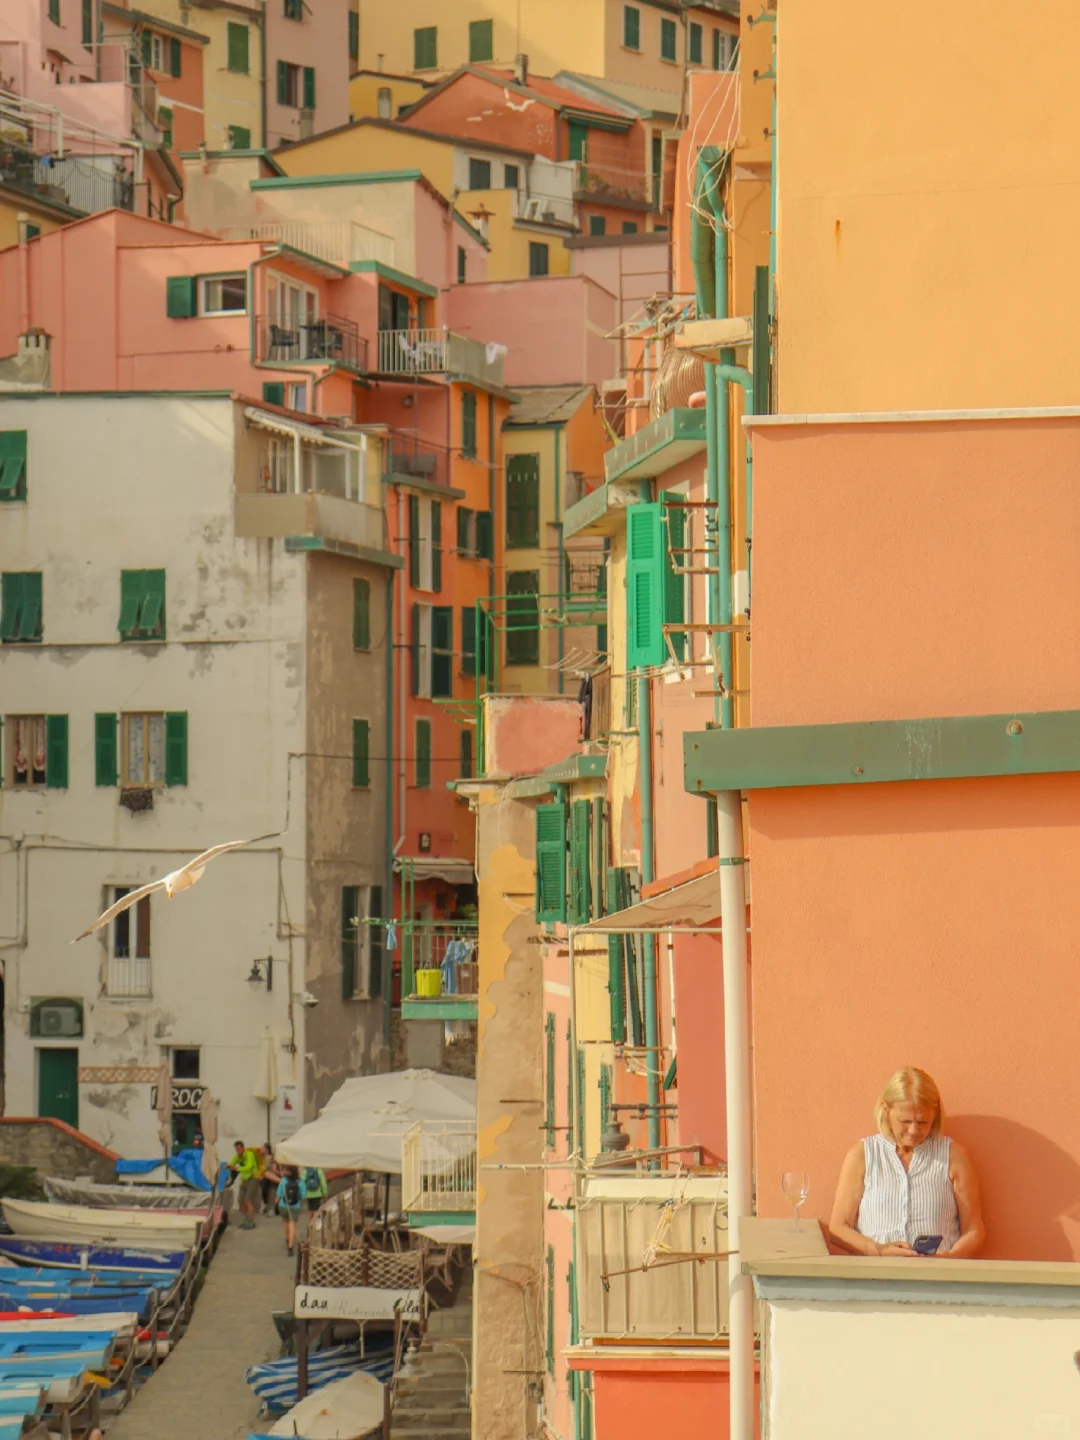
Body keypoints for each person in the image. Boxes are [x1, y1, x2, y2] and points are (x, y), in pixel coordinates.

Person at [829, 1066, 985, 1258]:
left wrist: (949, 1258)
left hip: (936, 1281)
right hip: (875, 1280)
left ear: (935, 1113)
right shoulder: (863, 1155)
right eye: (905, 1121)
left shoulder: (953, 1156)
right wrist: (878, 1250)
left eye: (922, 1122)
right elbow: (838, 1228)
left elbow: (973, 1229)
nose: (913, 1131)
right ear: (886, 1109)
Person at [228, 1141, 261, 1230]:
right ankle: (246, 1220)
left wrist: (237, 1168)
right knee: (240, 1201)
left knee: (247, 1200)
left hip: (253, 1178)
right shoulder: (238, 1156)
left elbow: (249, 1167)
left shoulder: (249, 1154)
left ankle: (251, 1221)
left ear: (243, 1148)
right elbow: (232, 1162)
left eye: (239, 1149)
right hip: (244, 1179)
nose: (237, 1151)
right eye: (236, 1149)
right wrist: (227, 1166)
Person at [276, 1165, 307, 1256]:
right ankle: (290, 1247)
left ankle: (287, 1238)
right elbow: (303, 1196)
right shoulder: (300, 1182)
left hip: (283, 1205)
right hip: (295, 1206)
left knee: (285, 1222)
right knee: (292, 1224)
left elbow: (278, 1194)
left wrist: (275, 1205)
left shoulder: (283, 1181)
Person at [260, 1145, 281, 1217]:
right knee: (273, 1192)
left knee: (277, 1192)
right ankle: (272, 1208)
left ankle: (274, 1209)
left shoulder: (282, 1159)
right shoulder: (274, 1159)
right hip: (275, 1178)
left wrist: (277, 1172)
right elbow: (273, 1169)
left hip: (281, 1177)